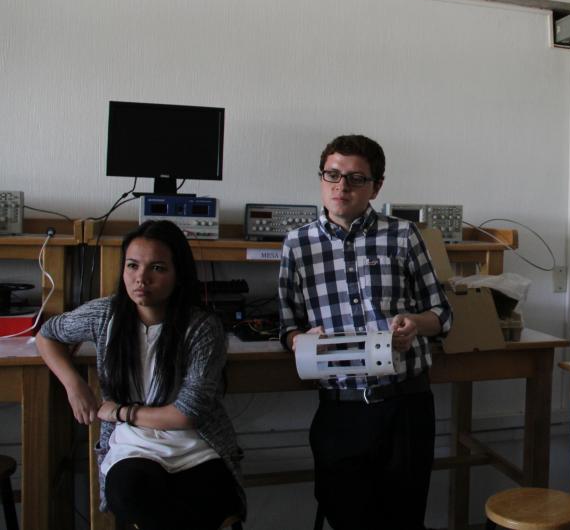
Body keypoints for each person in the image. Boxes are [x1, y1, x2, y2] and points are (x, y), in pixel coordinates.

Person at [279, 134, 452, 530]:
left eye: (356, 178)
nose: (342, 187)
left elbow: (442, 313)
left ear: (376, 186)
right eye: (333, 175)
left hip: (405, 404)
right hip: (341, 408)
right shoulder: (297, 244)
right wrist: (300, 339)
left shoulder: (404, 236)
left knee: (404, 519)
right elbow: (287, 325)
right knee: (349, 517)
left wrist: (415, 323)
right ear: (321, 178)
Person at [37, 220, 244, 529]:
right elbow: (47, 334)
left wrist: (120, 411)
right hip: (133, 447)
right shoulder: (105, 313)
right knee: (134, 494)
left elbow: (185, 416)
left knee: (207, 505)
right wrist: (73, 383)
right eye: (132, 266)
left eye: (157, 268)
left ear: (178, 274)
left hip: (195, 446)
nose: (141, 279)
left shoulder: (201, 327)